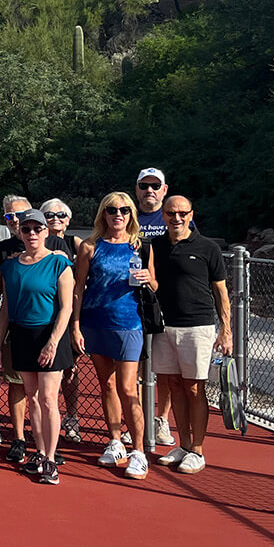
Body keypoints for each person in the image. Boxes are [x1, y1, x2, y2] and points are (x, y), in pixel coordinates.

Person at [72, 192, 152, 481]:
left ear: (131, 214)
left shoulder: (140, 246)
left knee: (129, 388)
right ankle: (116, 441)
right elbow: (79, 288)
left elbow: (154, 282)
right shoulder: (90, 247)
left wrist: (147, 279)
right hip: (95, 323)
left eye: (124, 210)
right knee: (106, 385)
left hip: (129, 324)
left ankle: (139, 451)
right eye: (111, 209)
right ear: (102, 214)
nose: (118, 214)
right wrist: (76, 325)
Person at [151, 196, 231, 475]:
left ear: (191, 214)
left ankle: (197, 450)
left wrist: (226, 331)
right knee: (173, 384)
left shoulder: (208, 247)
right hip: (164, 327)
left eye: (182, 213)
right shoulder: (155, 246)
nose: (177, 218)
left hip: (198, 327)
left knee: (195, 388)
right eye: (171, 213)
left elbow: (221, 292)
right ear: (163, 215)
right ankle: (183, 445)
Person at [0, 208, 74, 485]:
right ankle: (39, 453)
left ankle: (51, 459)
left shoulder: (59, 264)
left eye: (37, 229)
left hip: (50, 335)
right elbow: (5, 307)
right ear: (19, 232)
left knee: (49, 399)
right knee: (32, 396)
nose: (31, 234)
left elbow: (66, 308)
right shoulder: (11, 266)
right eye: (26, 229)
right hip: (21, 335)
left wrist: (52, 342)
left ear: (46, 231)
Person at [135, 168, 181, 448]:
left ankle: (160, 419)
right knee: (135, 368)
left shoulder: (173, 216)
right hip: (133, 304)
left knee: (164, 369)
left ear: (164, 189)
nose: (149, 190)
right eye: (144, 185)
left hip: (166, 304)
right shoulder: (126, 215)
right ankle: (137, 418)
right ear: (137, 189)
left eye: (155, 185)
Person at [0, 194, 35, 462]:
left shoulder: (52, 244)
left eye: (20, 215)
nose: (16, 221)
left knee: (44, 390)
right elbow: (0, 290)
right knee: (16, 384)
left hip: (44, 327)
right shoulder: (4, 248)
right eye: (9, 217)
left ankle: (42, 440)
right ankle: (18, 438)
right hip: (15, 325)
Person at [41, 197, 83, 442]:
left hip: (68, 314)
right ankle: (48, 417)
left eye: (61, 215)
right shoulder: (35, 241)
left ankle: (72, 416)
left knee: (70, 370)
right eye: (49, 215)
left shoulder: (73, 243)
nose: (55, 219)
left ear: (68, 220)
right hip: (43, 316)